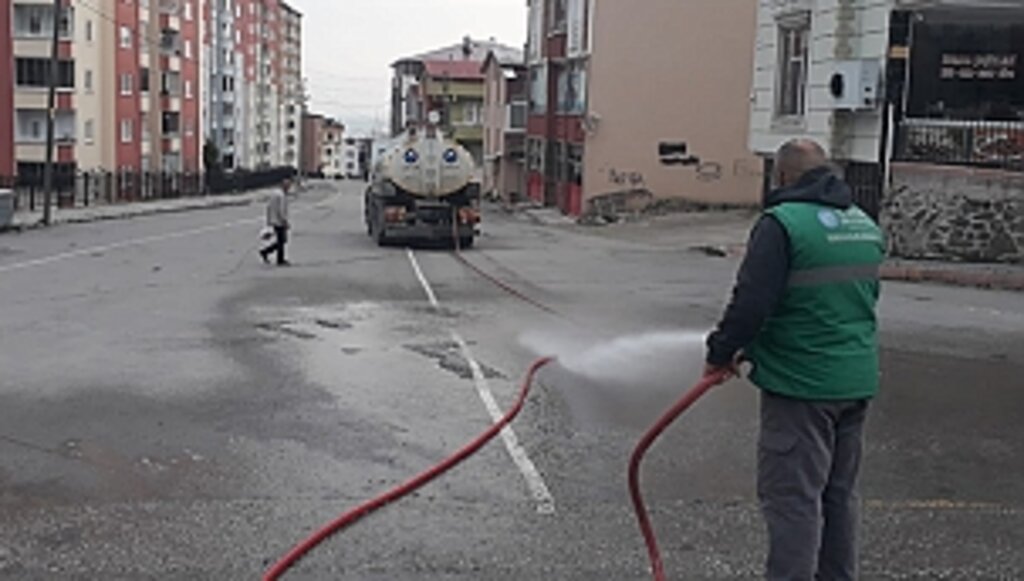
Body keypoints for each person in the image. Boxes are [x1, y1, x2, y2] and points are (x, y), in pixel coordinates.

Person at [704, 139, 885, 581]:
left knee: (793, 501)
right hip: (855, 381)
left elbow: (752, 302)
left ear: (782, 177)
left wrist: (720, 353)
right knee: (838, 497)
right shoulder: (861, 223)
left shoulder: (782, 224)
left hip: (803, 387)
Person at [260, 178, 291, 266]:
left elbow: (268, 206)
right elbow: (281, 210)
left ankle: (266, 252)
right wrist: (285, 221)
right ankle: (278, 259)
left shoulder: (274, 193)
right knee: (282, 240)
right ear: (284, 186)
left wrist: (269, 219)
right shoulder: (281, 196)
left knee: (281, 240)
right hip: (279, 221)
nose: (289, 188)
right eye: (288, 186)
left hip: (274, 220)